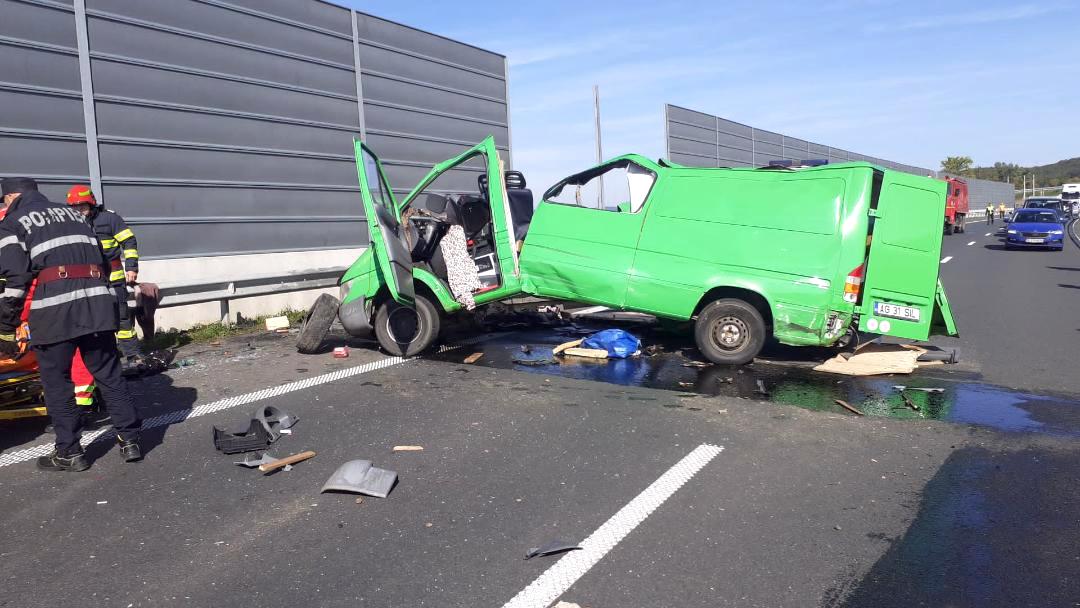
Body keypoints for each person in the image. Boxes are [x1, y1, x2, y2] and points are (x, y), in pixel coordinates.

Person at [0, 177, 142, 471]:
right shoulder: (73, 214)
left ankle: (69, 452)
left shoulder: (12, 222)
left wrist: (6, 327)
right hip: (98, 305)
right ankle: (130, 441)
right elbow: (104, 259)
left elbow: (14, 280)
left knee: (57, 382)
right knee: (109, 375)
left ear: (11, 197)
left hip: (54, 311)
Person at [66, 185, 142, 372]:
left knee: (121, 318)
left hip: (113, 278)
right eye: (75, 207)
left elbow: (129, 241)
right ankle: (109, 358)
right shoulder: (70, 223)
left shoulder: (109, 218)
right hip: (88, 280)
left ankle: (133, 356)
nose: (79, 210)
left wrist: (131, 267)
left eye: (82, 206)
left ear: (91, 203)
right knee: (97, 320)